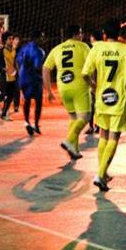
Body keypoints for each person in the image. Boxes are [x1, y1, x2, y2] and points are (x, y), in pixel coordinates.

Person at [82, 18, 126, 191]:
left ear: (104, 34)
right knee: (114, 137)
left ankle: (103, 173)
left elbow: (85, 73)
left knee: (103, 136)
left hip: (102, 98)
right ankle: (100, 174)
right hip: (119, 100)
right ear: (119, 34)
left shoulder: (97, 48)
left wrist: (94, 87)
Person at [43, 25, 92, 160]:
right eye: (81, 33)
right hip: (79, 86)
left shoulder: (57, 49)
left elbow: (46, 69)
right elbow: (90, 66)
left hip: (63, 87)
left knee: (73, 118)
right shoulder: (83, 47)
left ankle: (74, 150)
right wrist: (93, 83)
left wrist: (49, 91)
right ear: (76, 34)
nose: (82, 36)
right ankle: (69, 140)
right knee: (85, 117)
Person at [17, 30, 46, 136]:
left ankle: (26, 122)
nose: (43, 39)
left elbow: (18, 61)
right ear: (36, 38)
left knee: (27, 100)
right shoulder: (39, 51)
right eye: (41, 37)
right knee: (38, 102)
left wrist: (21, 72)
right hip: (34, 80)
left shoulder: (24, 47)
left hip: (23, 78)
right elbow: (38, 67)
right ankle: (36, 124)